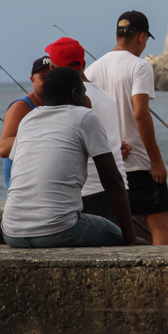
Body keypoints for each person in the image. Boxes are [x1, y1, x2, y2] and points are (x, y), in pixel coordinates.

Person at [1, 67, 144, 248]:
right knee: (115, 233)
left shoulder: (28, 119)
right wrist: (130, 237)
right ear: (75, 93)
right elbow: (112, 181)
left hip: (11, 232)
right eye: (84, 92)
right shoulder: (85, 116)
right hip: (57, 230)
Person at [85, 11, 168, 246]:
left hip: (111, 161)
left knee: (115, 226)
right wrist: (156, 160)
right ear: (142, 37)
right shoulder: (140, 67)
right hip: (140, 162)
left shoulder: (92, 70)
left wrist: (111, 144)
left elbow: (91, 116)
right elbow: (141, 113)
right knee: (159, 223)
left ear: (117, 34)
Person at [45, 36, 129, 225]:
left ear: (53, 70)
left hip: (89, 192)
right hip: (117, 188)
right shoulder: (104, 95)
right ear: (83, 63)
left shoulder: (81, 100)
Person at [0, 56, 51, 189]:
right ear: (32, 80)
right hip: (21, 182)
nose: (48, 82)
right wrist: (44, 138)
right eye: (43, 78)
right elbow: (3, 149)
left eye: (52, 77)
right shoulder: (21, 106)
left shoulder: (58, 105)